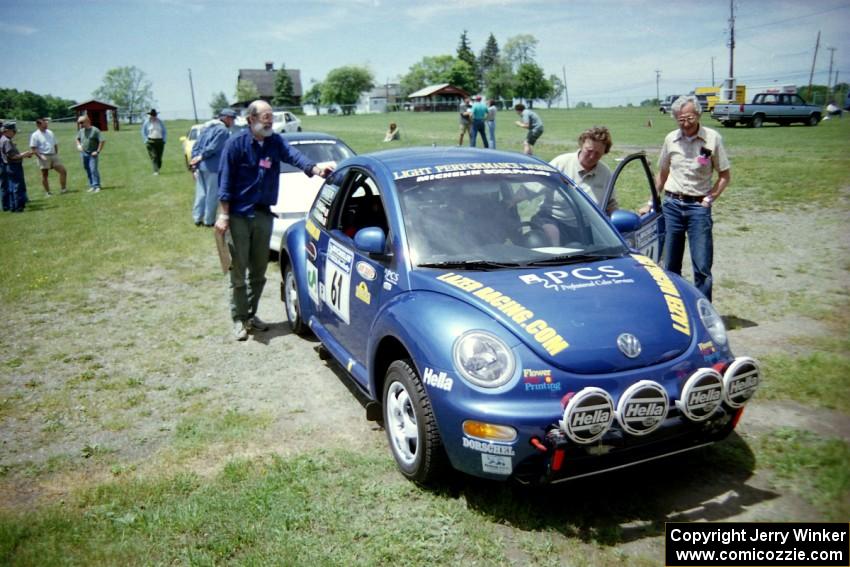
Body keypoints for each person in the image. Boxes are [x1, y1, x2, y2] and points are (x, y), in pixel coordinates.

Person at [215, 100, 332, 341]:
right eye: (265, 117)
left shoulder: (274, 142)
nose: (269, 121)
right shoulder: (235, 145)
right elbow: (224, 181)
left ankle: (250, 316)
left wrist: (316, 169)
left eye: (271, 117)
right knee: (239, 271)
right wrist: (224, 214)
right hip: (238, 214)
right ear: (251, 120)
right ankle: (238, 318)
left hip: (263, 214)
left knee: (258, 270)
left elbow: (294, 156)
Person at [656, 94, 731, 301]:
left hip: (698, 208)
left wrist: (709, 199)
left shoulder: (712, 139)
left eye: (689, 118)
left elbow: (724, 175)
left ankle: (704, 315)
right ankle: (676, 311)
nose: (685, 123)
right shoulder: (670, 139)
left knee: (702, 266)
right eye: (680, 119)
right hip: (672, 205)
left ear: (698, 114)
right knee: (670, 266)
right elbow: (662, 172)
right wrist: (651, 200)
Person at [549, 126, 618, 214]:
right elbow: (538, 189)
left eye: (597, 153)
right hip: (557, 221)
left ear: (604, 152)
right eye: (589, 151)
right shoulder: (559, 164)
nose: (592, 156)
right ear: (582, 145)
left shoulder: (605, 173)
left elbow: (611, 205)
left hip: (590, 224)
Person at [190, 108, 237, 226]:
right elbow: (214, 147)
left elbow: (196, 145)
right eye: (232, 119)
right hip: (213, 167)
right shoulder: (223, 131)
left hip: (202, 166)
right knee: (212, 194)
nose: (233, 122)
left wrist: (196, 160)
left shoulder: (207, 127)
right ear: (226, 118)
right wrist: (203, 156)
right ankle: (209, 220)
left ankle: (197, 218)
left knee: (201, 193)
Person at [29, 118, 68, 196]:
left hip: (53, 155)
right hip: (43, 156)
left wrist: (56, 153)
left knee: (63, 171)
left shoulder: (50, 132)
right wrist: (40, 157)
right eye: (44, 124)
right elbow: (33, 148)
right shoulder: (35, 135)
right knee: (45, 175)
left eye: (46, 124)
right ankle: (48, 192)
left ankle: (63, 189)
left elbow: (55, 144)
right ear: (38, 125)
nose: (46, 125)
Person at [0, 122, 34, 212]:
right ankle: (18, 207)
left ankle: (13, 206)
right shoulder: (6, 141)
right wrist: (25, 154)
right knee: (17, 186)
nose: (14, 133)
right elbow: (12, 156)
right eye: (13, 131)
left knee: (12, 187)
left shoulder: (4, 139)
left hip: (9, 166)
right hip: (13, 166)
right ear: (7, 131)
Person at [75, 115, 104, 192]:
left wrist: (97, 151)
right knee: (87, 169)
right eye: (79, 123)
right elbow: (77, 139)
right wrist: (78, 145)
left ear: (87, 121)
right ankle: (92, 185)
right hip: (84, 153)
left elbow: (102, 141)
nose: (80, 124)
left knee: (93, 169)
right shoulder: (81, 131)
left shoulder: (95, 130)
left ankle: (97, 186)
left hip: (92, 154)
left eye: (81, 122)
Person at [141, 108, 167, 175]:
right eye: (152, 115)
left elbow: (164, 131)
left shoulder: (160, 122)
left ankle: (158, 167)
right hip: (150, 142)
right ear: (150, 115)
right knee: (154, 156)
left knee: (159, 157)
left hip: (160, 141)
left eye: (154, 115)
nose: (153, 116)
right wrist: (146, 140)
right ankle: (156, 171)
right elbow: (143, 132)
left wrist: (164, 140)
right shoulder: (146, 123)